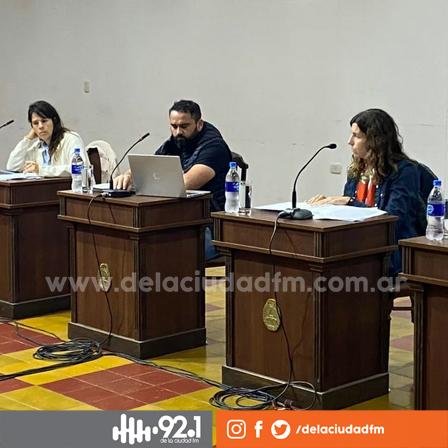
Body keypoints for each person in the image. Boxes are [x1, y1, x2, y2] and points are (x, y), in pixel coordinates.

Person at [308, 108, 428, 276]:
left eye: (356, 136)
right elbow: (348, 213)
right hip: (360, 247)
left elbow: (393, 219)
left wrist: (349, 202)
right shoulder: (357, 169)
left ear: (375, 140)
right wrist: (326, 206)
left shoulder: (405, 171)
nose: (350, 141)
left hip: (392, 254)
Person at [114, 99, 232, 259]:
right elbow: (151, 166)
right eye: (173, 126)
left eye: (184, 126)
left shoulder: (214, 147)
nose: (177, 132)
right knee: (134, 243)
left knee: (155, 252)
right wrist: (128, 175)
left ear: (199, 124)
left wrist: (146, 182)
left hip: (207, 228)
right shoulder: (176, 142)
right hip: (179, 220)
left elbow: (183, 184)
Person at [7, 100, 86, 176]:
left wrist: (41, 170)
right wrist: (27, 139)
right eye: (35, 123)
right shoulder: (38, 146)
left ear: (54, 121)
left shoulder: (71, 139)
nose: (40, 126)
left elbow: (80, 169)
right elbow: (13, 167)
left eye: (44, 121)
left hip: (69, 185)